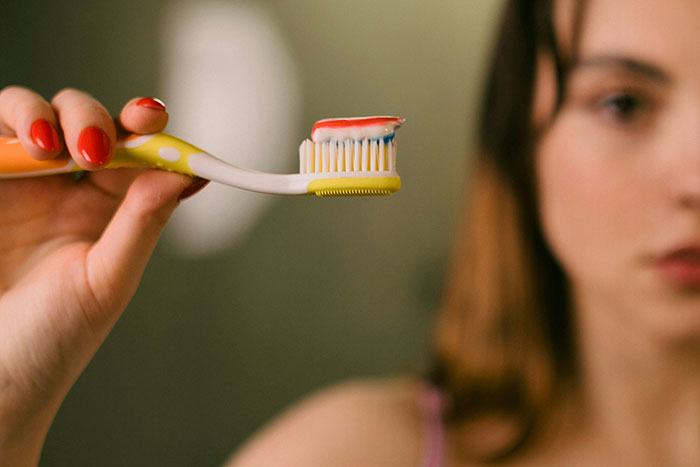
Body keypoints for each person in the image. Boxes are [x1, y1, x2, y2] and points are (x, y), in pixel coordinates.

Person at [1, 0, 699, 465]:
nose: (694, 180)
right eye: (623, 102)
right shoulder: (350, 454)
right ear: (518, 141)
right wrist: (10, 394)